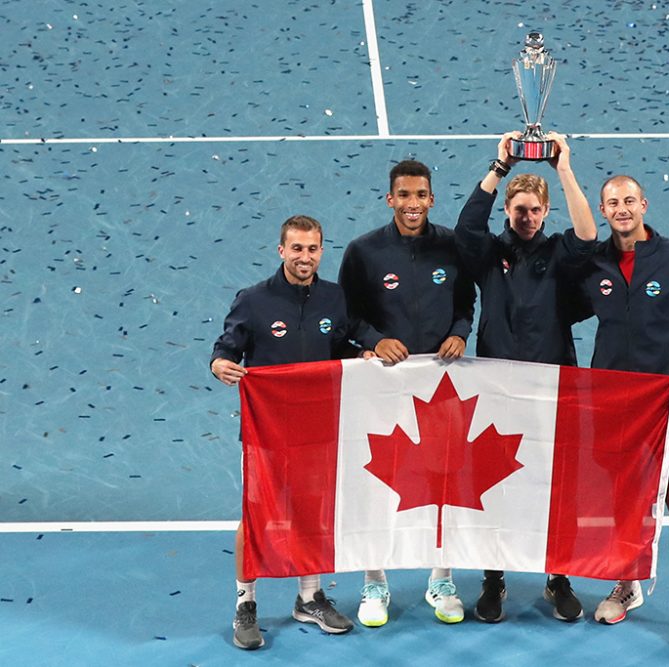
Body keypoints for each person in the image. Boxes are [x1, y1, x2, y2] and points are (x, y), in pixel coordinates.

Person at [576, 176, 669, 656]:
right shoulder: (593, 263)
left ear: (644, 204)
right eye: (613, 203)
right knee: (623, 498)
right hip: (613, 402)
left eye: (629, 201)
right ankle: (627, 582)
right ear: (602, 210)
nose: (622, 209)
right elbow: (560, 311)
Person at [454, 131, 597, 623]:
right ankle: (494, 579)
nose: (527, 217)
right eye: (519, 209)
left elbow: (587, 234)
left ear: (545, 211)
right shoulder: (490, 255)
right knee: (496, 485)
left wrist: (564, 168)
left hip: (554, 392)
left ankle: (559, 577)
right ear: (507, 211)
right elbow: (465, 227)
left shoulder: (559, 253)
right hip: (497, 388)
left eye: (535, 210)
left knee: (555, 487)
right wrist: (499, 168)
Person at [338, 159, 476, 627]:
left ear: (431, 199)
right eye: (404, 195)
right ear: (390, 199)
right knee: (378, 478)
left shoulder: (452, 247)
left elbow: (466, 300)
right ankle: (374, 581)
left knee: (445, 481)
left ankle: (442, 578)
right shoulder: (363, 252)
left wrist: (460, 331)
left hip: (440, 382)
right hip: (385, 383)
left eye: (421, 195)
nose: (412, 204)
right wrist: (374, 341)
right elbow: (348, 315)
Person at [210, 215, 358, 650]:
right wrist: (219, 364)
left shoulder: (334, 299)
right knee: (256, 518)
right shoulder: (253, 301)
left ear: (321, 251)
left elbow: (344, 346)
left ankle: (309, 596)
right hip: (267, 432)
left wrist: (366, 350)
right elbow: (226, 349)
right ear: (281, 250)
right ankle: (245, 603)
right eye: (297, 249)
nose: (305, 258)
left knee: (312, 513)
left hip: (317, 430)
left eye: (312, 249)